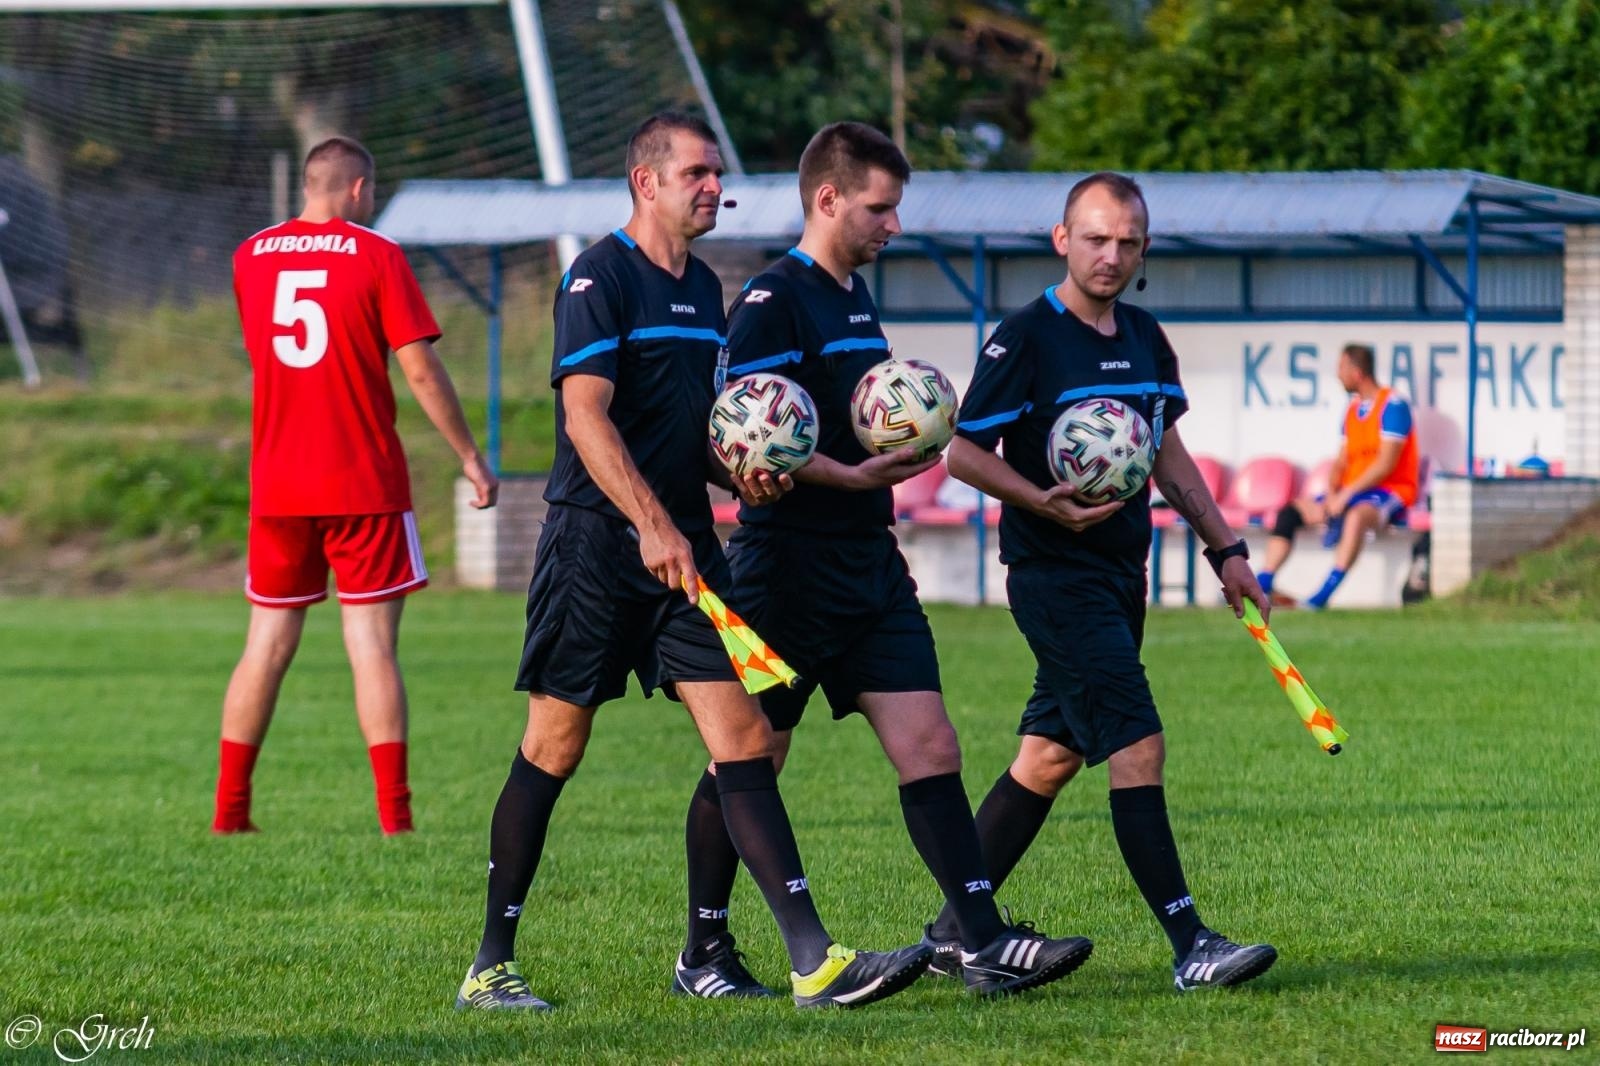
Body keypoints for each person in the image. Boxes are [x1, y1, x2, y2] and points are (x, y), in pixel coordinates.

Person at [455, 112, 930, 1013]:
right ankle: (490, 965)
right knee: (554, 746)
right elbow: (586, 418)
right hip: (596, 549)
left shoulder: (707, 288)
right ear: (647, 181)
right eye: (698, 173)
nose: (715, 187)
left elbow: (695, 430)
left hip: (685, 556)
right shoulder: (598, 277)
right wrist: (650, 523)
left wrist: (747, 474)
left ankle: (812, 961)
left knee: (745, 740)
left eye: (719, 174)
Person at [673, 121, 1092, 1002]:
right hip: (786, 569)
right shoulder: (771, 301)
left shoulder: (854, 297)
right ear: (828, 199)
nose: (893, 224)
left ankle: (979, 942)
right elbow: (746, 434)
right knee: (750, 759)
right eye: (879, 208)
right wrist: (850, 472)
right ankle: (704, 950)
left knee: (931, 743)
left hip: (869, 561)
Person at [944, 171, 1279, 991]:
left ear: (1144, 248)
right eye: (1096, 238)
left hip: (1123, 576)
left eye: (1128, 242)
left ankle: (955, 934)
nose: (1111, 255)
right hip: (1053, 577)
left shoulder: (1145, 337)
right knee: (1138, 743)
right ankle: (1192, 945)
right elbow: (963, 452)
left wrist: (1226, 548)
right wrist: (1040, 502)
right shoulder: (1025, 337)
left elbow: (1167, 455)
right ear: (1063, 240)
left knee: (1048, 757)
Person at [216, 137, 498, 836]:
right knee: (370, 644)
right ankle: (394, 818)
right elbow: (420, 369)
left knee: (265, 644)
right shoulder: (377, 255)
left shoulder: (250, 255)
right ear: (358, 189)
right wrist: (469, 455)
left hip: (278, 483)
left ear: (307, 184)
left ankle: (231, 813)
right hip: (361, 483)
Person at [1257, 343, 1421, 609]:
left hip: (1390, 491)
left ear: (1357, 372)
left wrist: (1346, 495)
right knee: (1290, 513)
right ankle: (1262, 582)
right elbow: (1341, 460)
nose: (1338, 375)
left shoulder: (1393, 405)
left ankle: (1320, 598)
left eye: (1341, 368)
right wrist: (1333, 493)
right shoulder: (1353, 410)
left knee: (1356, 518)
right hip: (1351, 491)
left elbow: (1386, 464)